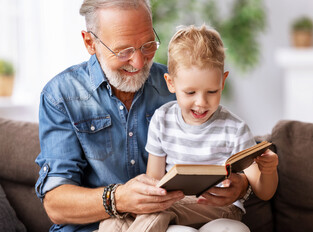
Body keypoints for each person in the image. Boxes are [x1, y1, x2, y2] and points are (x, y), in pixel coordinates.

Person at [35, 0, 253, 231]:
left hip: (168, 220)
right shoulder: (61, 95)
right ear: (90, 42)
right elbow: (55, 204)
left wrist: (241, 185)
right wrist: (117, 199)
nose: (139, 63)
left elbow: (223, 146)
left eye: (148, 45)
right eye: (123, 51)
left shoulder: (178, 87)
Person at [99, 25, 279, 232]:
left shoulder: (234, 128)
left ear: (223, 82)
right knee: (154, 214)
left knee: (151, 214)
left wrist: (269, 170)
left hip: (220, 209)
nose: (201, 103)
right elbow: (155, 181)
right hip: (174, 210)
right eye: (190, 92)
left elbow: (264, 192)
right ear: (171, 83)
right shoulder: (162, 120)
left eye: (211, 91)